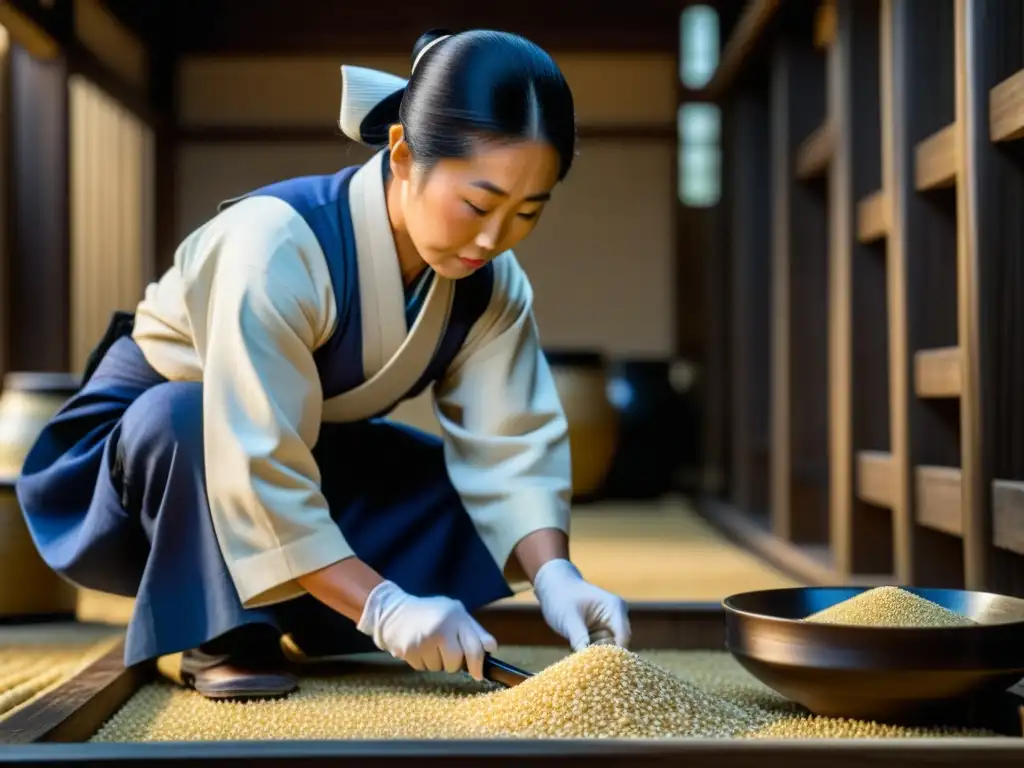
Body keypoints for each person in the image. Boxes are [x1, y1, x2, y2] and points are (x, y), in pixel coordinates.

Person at [16, 28, 631, 701]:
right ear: (402, 154)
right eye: (478, 204)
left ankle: (311, 604)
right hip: (146, 467)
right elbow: (255, 458)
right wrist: (385, 606)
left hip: (300, 451)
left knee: (458, 494)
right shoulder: (273, 244)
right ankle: (228, 627)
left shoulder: (490, 282)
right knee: (186, 417)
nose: (493, 237)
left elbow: (509, 444)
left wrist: (555, 576)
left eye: (527, 212)